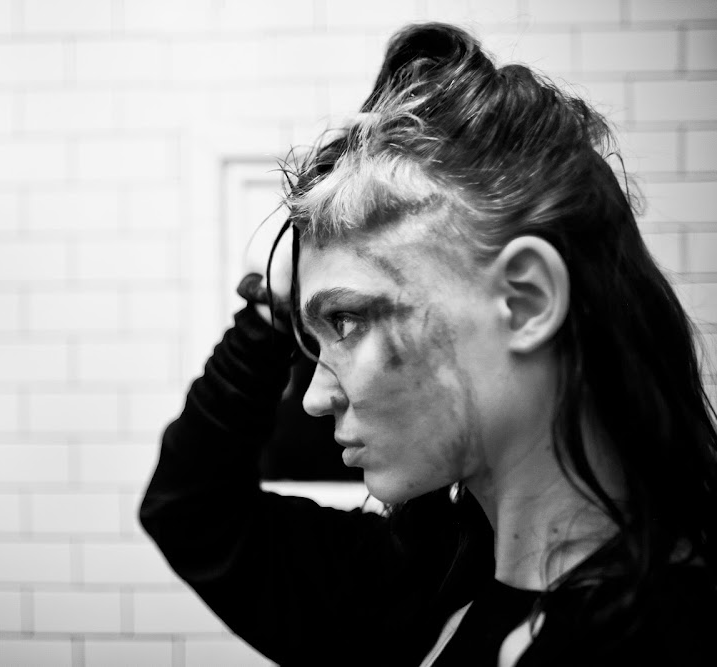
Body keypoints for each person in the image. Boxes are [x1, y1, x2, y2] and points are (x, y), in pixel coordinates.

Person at [139, 23, 717, 666]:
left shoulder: (665, 640)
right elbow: (191, 509)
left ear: (526, 302)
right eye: (315, 339)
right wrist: (273, 312)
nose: (313, 398)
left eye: (348, 321)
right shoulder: (418, 582)